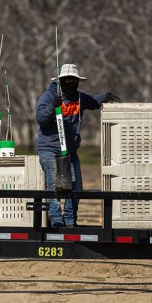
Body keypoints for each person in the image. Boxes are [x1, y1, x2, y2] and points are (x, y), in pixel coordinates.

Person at [35, 64, 119, 227]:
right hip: (50, 149)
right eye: (67, 80)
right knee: (54, 186)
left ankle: (70, 220)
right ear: (60, 81)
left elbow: (94, 101)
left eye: (74, 80)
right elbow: (40, 118)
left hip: (70, 151)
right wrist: (52, 106)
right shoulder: (48, 96)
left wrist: (104, 97)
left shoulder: (80, 98)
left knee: (75, 186)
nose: (70, 83)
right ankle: (57, 220)